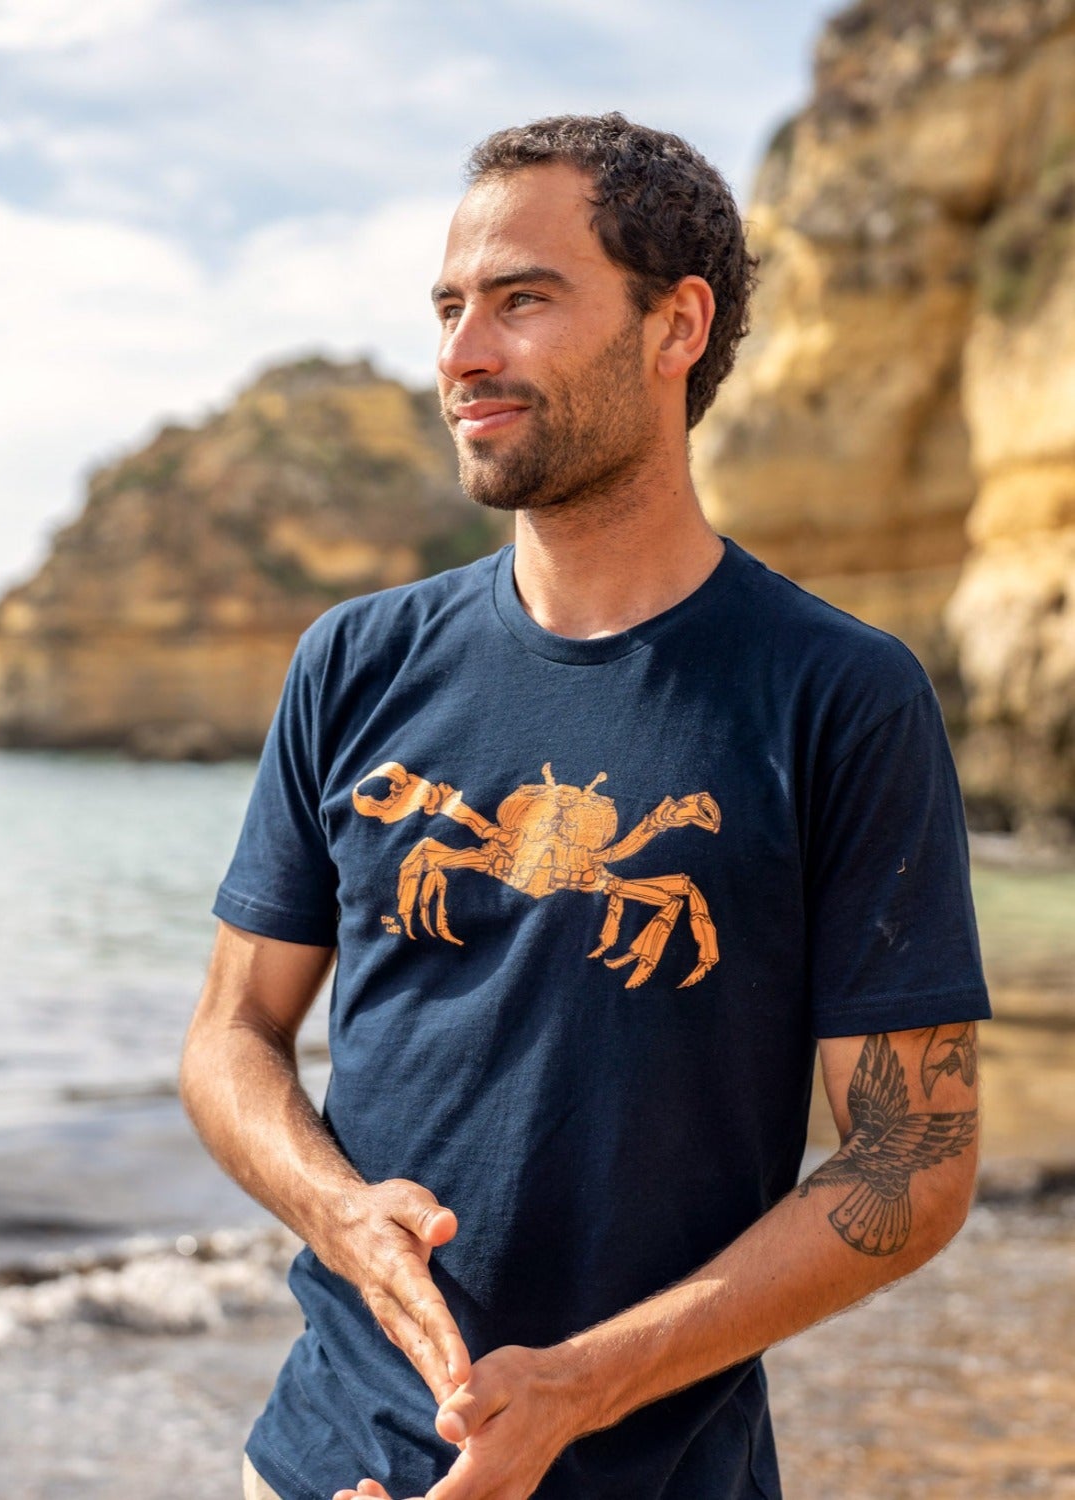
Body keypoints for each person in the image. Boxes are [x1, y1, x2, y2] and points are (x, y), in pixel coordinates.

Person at [179, 112, 989, 1500]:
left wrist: (577, 1387)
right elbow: (233, 1034)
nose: (461, 355)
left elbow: (915, 1153)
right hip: (331, 1465)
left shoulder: (836, 695)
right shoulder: (356, 665)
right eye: (449, 308)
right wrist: (338, 1210)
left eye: (522, 300)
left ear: (679, 325)